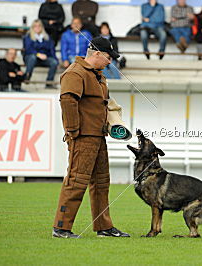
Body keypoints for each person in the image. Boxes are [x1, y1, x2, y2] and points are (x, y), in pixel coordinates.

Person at [52, 37, 130, 238]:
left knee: (101, 182)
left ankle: (103, 227)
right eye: (108, 57)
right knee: (76, 181)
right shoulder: (75, 73)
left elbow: (103, 104)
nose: (110, 61)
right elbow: (68, 101)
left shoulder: (98, 76)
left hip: (98, 136)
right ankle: (61, 228)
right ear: (96, 54)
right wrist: (73, 131)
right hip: (83, 137)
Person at [23, 19, 58, 89]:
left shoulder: (47, 37)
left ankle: (49, 82)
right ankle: (27, 76)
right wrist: (38, 54)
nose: (37, 27)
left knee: (54, 62)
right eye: (35, 26)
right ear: (32, 28)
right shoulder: (28, 37)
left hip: (44, 59)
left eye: (39, 26)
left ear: (42, 27)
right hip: (32, 58)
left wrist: (55, 59)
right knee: (32, 57)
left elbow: (51, 49)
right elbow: (28, 49)